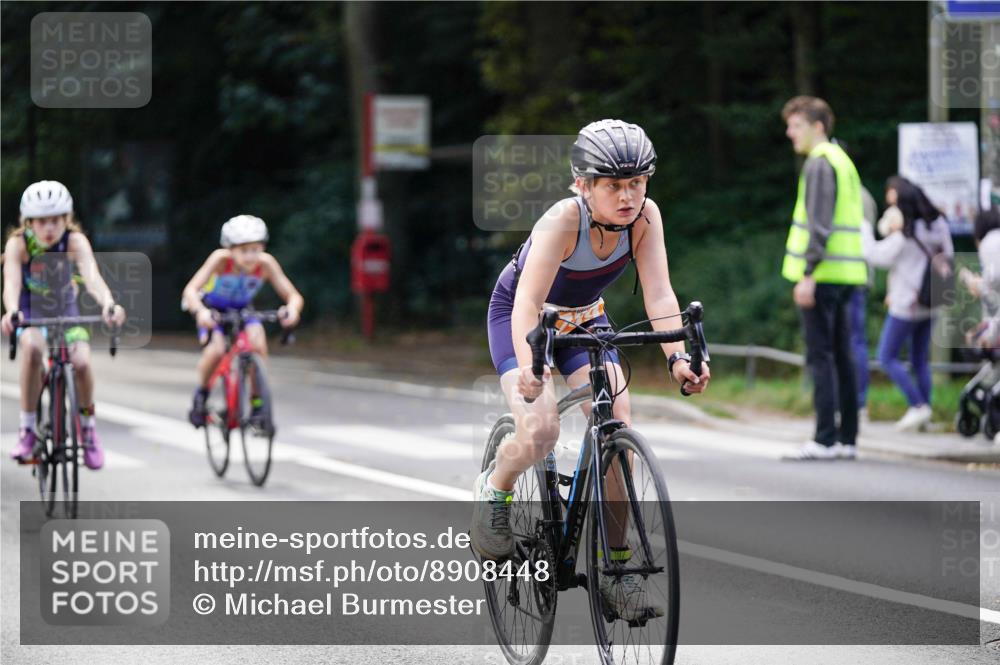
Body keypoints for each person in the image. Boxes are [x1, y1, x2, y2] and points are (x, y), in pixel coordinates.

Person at [473, 119, 711, 619]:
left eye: (637, 183)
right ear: (582, 185)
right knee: (540, 430)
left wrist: (677, 359)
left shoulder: (646, 218)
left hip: (585, 319)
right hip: (523, 316)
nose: (628, 196)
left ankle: (616, 571)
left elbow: (659, 294)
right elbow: (527, 303)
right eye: (614, 186)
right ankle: (496, 489)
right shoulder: (563, 220)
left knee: (617, 430)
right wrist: (532, 368)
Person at [1, 180, 127, 469]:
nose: (49, 228)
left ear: (66, 219)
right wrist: (12, 311)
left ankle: (88, 428)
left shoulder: (74, 241)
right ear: (29, 222)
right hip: (30, 308)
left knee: (81, 363)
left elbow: (92, 278)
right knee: (33, 349)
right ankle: (27, 429)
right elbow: (11, 284)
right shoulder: (18, 244)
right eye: (41, 221)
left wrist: (108, 304)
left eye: (55, 220)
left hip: (66, 307)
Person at [780, 97, 868, 460]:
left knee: (821, 356)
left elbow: (819, 224)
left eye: (796, 125)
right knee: (843, 356)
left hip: (823, 274)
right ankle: (847, 439)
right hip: (847, 274)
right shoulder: (842, 160)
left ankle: (824, 439)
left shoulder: (819, 163)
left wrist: (808, 273)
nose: (790, 132)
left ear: (817, 127)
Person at [181, 215, 303, 425]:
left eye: (255, 249)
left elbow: (293, 295)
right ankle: (201, 394)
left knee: (258, 344)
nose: (250, 256)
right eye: (244, 250)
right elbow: (191, 290)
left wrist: (292, 310)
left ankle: (257, 403)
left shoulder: (266, 264)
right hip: (213, 310)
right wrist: (200, 312)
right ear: (231, 250)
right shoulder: (220, 260)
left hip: (243, 309)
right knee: (217, 350)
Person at [862, 177, 953, 431]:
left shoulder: (906, 233)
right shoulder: (939, 225)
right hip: (932, 301)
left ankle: (917, 405)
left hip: (907, 303)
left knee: (886, 355)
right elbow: (948, 257)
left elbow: (875, 255)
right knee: (919, 359)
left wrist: (864, 229)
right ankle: (925, 415)